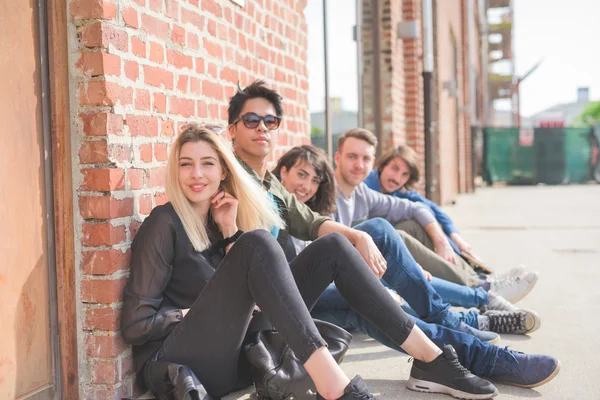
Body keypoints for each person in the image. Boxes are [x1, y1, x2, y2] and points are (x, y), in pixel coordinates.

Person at [120, 125, 501, 400]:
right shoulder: (164, 223)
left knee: (333, 246)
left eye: (207, 164)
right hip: (187, 360)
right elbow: (137, 326)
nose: (197, 174)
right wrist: (190, 313)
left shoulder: (220, 221)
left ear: (223, 171)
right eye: (186, 164)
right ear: (176, 171)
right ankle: (335, 387)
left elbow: (233, 292)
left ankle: (429, 358)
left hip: (238, 355)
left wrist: (231, 229)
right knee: (259, 244)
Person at [273, 144, 561, 389]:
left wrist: (443, 238)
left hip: (317, 291)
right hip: (285, 305)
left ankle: (462, 325)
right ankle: (478, 339)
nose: (306, 185)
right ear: (282, 172)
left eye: (313, 180)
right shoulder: (269, 207)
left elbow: (420, 206)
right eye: (301, 175)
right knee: (366, 297)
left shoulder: (309, 209)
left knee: (381, 231)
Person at [364, 145, 538, 303]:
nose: (396, 178)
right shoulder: (366, 187)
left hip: (385, 250)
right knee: (403, 232)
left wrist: (450, 240)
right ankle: (482, 285)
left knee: (422, 225)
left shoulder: (399, 192)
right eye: (394, 169)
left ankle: (482, 279)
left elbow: (431, 210)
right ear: (382, 165)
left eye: (404, 174)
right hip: (372, 255)